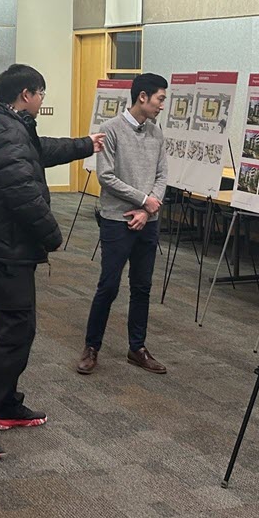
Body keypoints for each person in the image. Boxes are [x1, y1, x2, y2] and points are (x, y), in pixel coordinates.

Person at [0, 63, 104, 460]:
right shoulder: (6, 131)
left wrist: (87, 143)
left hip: (4, 246)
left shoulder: (9, 125)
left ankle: (3, 403)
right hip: (1, 248)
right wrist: (52, 235)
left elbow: (41, 151)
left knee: (16, 327)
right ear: (26, 95)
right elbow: (23, 194)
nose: (41, 101)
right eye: (41, 94)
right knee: (15, 330)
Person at [77, 73, 170, 375]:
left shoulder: (156, 133)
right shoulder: (111, 130)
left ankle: (137, 348)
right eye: (160, 99)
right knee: (109, 285)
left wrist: (148, 207)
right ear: (142, 97)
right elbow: (106, 176)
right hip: (117, 220)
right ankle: (92, 347)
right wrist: (144, 200)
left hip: (148, 221)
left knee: (142, 286)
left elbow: (161, 175)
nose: (162, 105)